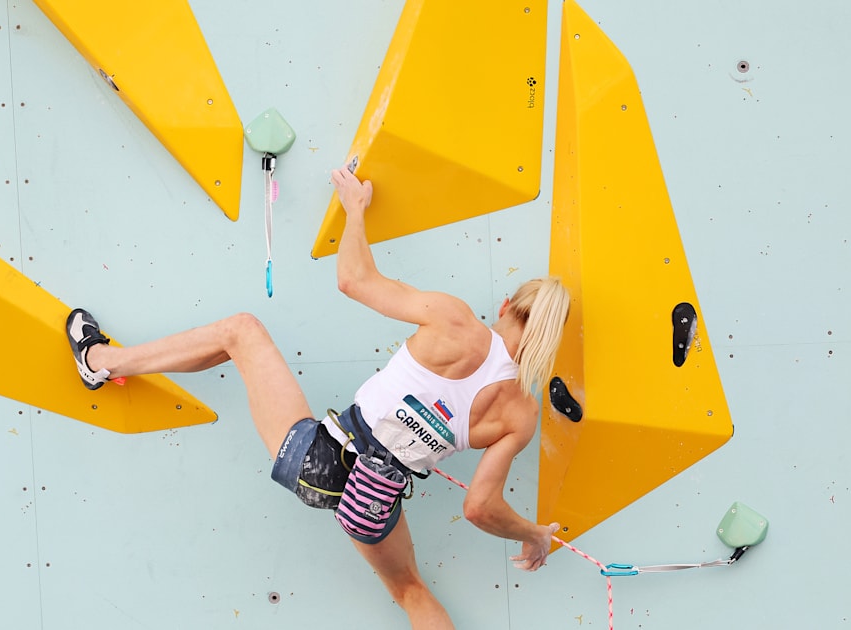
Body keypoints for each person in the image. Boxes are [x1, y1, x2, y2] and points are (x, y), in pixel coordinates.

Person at [65, 166, 569, 630]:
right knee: (410, 590)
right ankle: (104, 364)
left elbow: (353, 279)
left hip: (319, 460)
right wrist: (532, 533)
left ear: (506, 305)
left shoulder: (454, 320)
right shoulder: (519, 415)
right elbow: (480, 508)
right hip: (371, 503)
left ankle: (100, 363)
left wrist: (354, 209)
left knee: (240, 332)